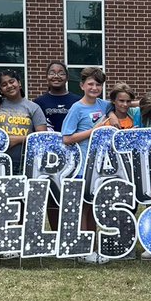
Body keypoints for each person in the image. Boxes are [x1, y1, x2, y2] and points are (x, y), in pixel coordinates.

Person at [61, 67, 111, 264]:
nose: (94, 87)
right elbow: (66, 138)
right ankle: (82, 248)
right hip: (82, 166)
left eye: (98, 84)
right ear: (82, 85)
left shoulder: (103, 105)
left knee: (92, 207)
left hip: (98, 166)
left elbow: (121, 103)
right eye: (90, 84)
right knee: (82, 207)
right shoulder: (76, 108)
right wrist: (93, 131)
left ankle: (92, 247)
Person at [0, 69, 48, 173]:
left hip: (26, 162)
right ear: (0, 90)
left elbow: (42, 137)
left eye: (12, 82)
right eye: (4, 84)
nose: (9, 86)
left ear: (19, 83)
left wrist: (18, 139)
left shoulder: (33, 107)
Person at [34, 61, 78, 136]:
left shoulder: (77, 101)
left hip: (73, 143)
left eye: (61, 73)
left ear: (67, 78)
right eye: (52, 73)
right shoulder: (38, 103)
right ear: (46, 77)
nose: (56, 76)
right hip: (48, 144)